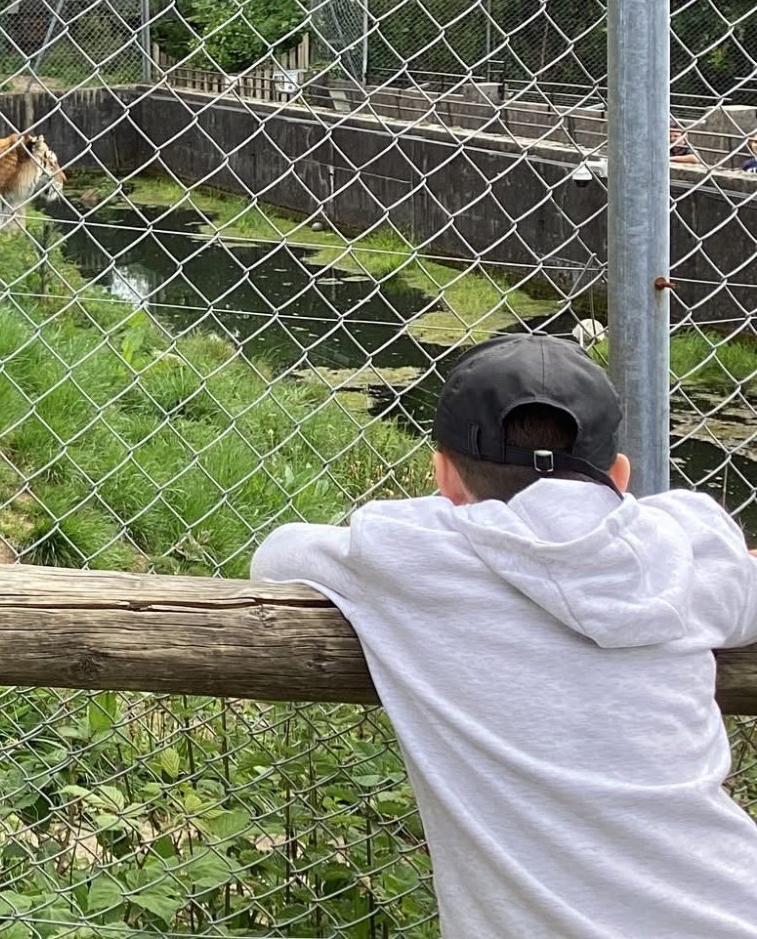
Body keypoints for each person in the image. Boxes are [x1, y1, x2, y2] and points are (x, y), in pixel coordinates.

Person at [252, 334, 757, 938]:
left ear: (442, 472)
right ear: (621, 475)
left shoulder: (408, 554)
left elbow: (275, 557)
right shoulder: (687, 543)